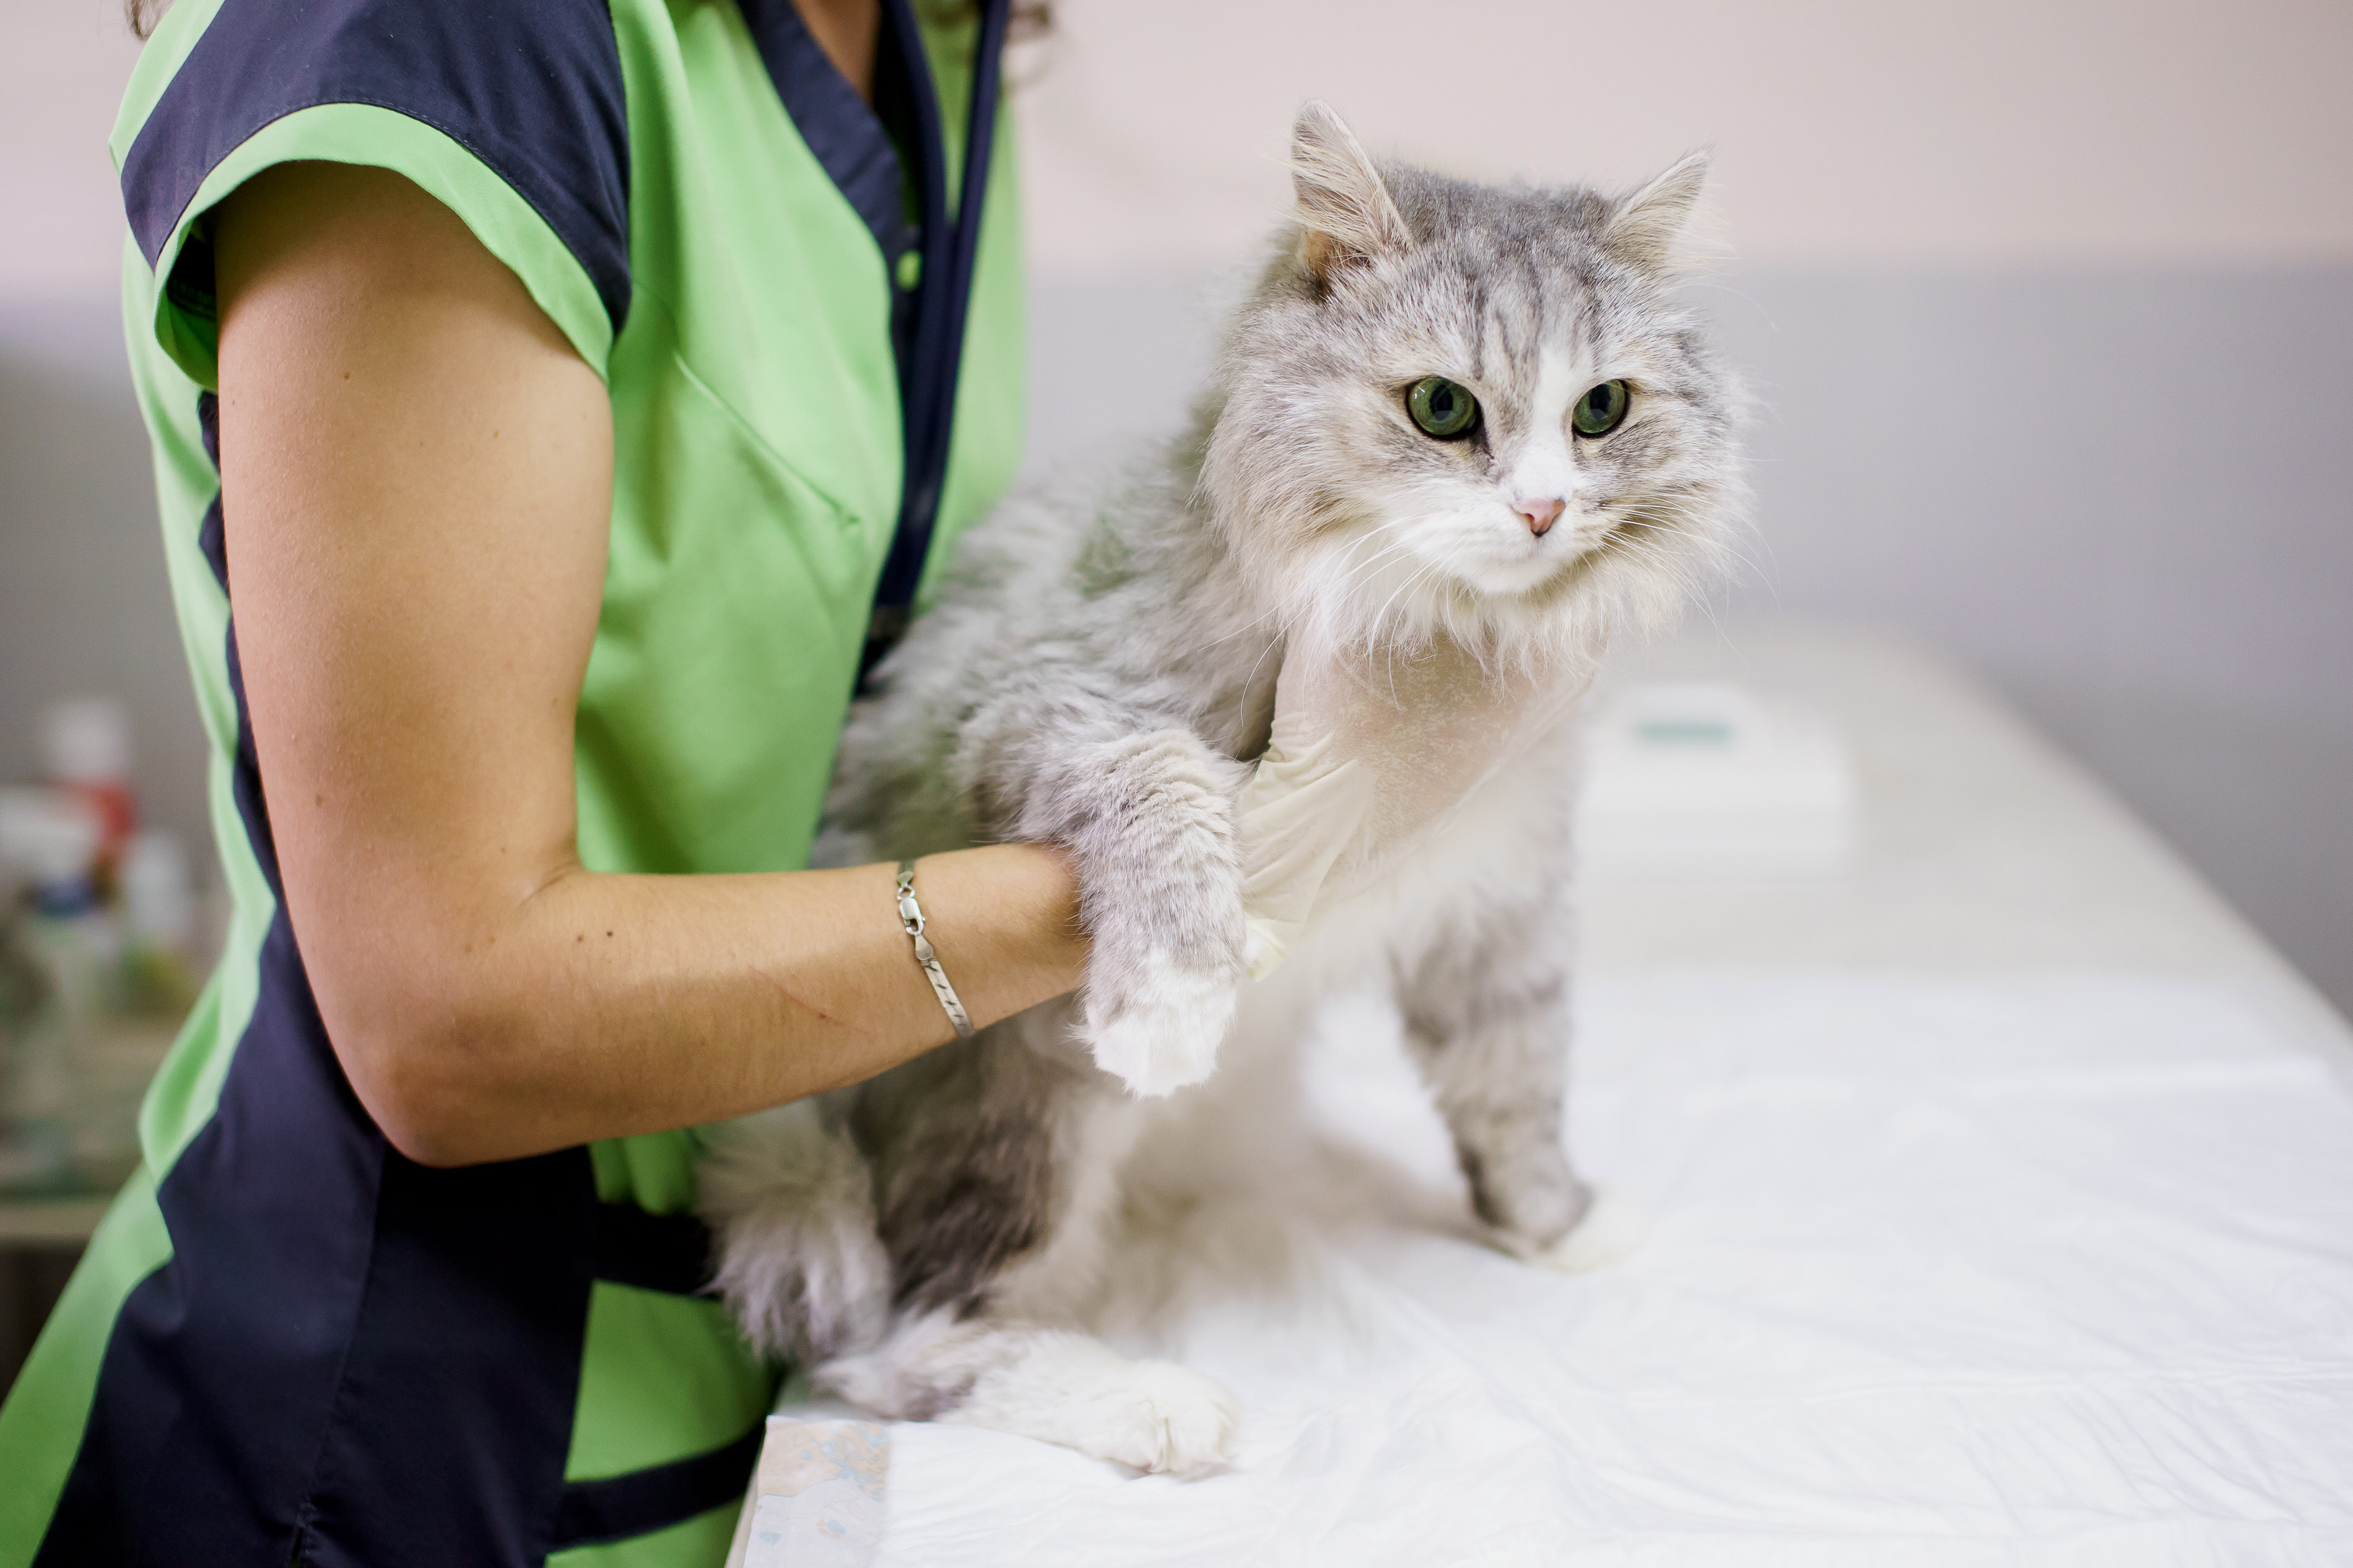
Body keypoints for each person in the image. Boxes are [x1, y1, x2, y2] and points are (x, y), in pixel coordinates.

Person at [0, 1, 1080, 1561]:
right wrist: (1131, 892)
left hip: (765, 1385)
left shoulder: (930, 41)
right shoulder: (443, 36)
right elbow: (451, 1010)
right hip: (382, 1446)